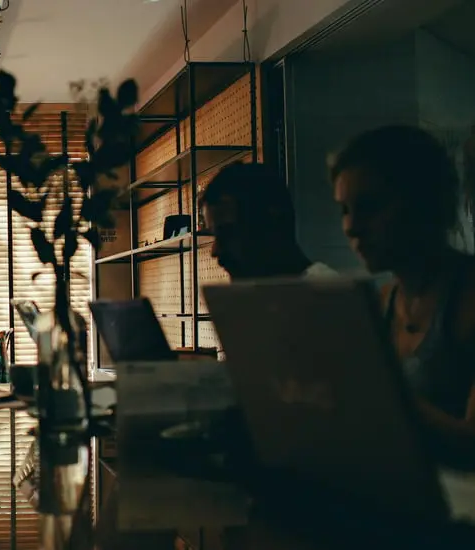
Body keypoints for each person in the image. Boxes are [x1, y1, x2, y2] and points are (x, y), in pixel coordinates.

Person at [331, 125, 475, 463]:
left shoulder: (467, 298)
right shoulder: (381, 303)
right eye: (345, 210)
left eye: (369, 206)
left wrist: (379, 395)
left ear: (424, 202)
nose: (352, 227)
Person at [199, 162, 337, 280]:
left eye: (227, 233)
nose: (215, 251)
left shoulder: (331, 299)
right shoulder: (263, 302)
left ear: (272, 225)